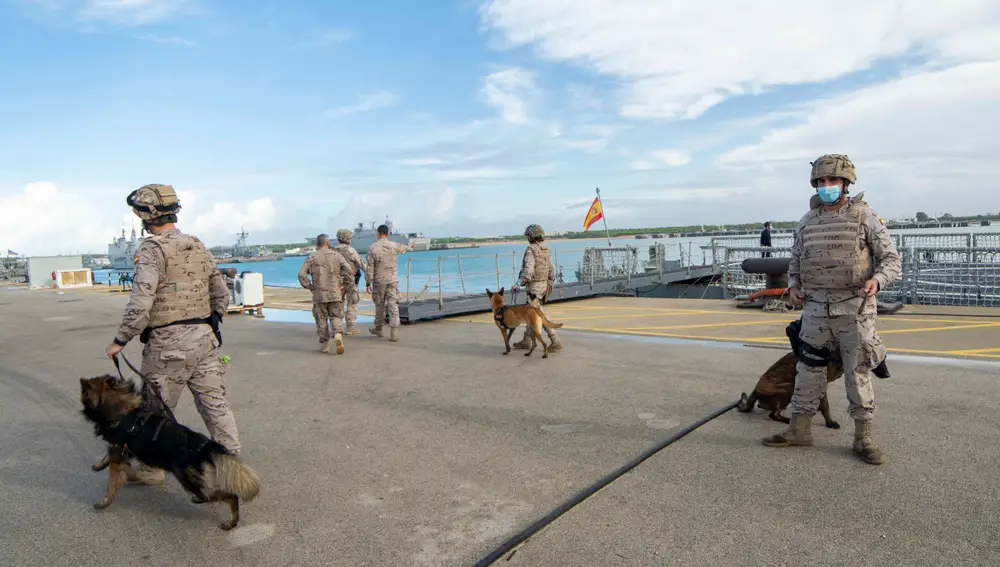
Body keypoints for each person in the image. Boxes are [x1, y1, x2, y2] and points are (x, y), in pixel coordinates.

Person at [762, 154, 901, 465]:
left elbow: (891, 261)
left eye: (833, 181)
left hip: (855, 309)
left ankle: (863, 438)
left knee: (857, 373)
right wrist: (794, 287)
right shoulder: (807, 221)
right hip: (815, 309)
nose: (827, 187)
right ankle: (799, 430)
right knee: (808, 371)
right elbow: (796, 261)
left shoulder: (865, 217)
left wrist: (877, 282)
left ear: (846, 184)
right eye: (822, 182)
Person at [104, 183, 241, 485]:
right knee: (216, 406)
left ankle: (153, 469)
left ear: (146, 215)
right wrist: (211, 322)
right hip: (204, 339)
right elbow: (220, 292)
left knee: (155, 411)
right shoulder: (197, 244)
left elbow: (141, 302)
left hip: (167, 345)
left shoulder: (152, 250)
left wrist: (120, 340)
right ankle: (233, 467)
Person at [511, 224, 562, 352]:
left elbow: (528, 270)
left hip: (534, 287)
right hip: (544, 285)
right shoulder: (545, 249)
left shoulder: (531, 250)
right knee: (532, 314)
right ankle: (526, 341)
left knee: (539, 314)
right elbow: (551, 270)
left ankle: (555, 340)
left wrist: (518, 283)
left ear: (530, 236)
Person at [298, 233, 353, 354]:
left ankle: (325, 345)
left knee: (321, 319)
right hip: (335, 292)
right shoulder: (337, 255)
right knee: (336, 316)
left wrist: (309, 286)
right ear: (328, 243)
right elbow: (349, 270)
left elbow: (301, 274)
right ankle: (338, 335)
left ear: (317, 244)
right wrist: (345, 284)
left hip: (319, 294)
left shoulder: (312, 257)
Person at [365, 225, 413, 342]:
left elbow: (370, 268)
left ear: (378, 233)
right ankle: (394, 332)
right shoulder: (394, 245)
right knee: (393, 305)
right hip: (392, 280)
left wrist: (368, 283)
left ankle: (379, 329)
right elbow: (405, 248)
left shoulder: (372, 248)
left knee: (379, 306)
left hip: (379, 281)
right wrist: (410, 246)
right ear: (388, 233)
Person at [332, 228, 369, 335]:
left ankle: (337, 328)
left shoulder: (332, 251)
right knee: (352, 303)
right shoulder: (351, 251)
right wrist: (370, 277)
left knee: (338, 304)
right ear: (348, 239)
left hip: (336, 282)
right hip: (351, 281)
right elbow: (362, 265)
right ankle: (350, 328)